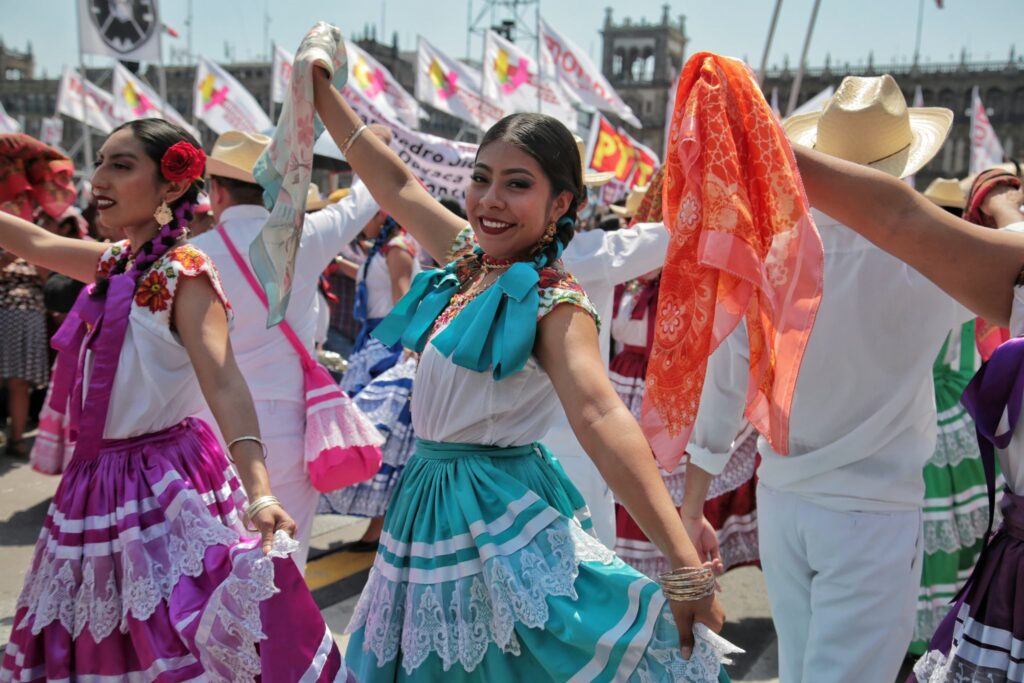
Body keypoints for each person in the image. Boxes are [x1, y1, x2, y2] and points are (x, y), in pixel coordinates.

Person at [312, 54, 730, 682]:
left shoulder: (553, 301)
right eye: (481, 179)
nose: (490, 199)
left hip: (492, 511)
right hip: (427, 502)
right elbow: (395, 185)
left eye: (517, 183)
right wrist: (319, 90)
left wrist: (683, 564)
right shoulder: (468, 257)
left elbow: (599, 414)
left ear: (562, 202)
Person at [0, 118, 350, 681]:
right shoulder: (115, 262)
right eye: (101, 163)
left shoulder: (185, 272)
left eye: (121, 165)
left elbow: (225, 382)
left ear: (170, 188)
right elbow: (36, 241)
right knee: (94, 634)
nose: (100, 179)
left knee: (173, 633)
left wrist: (260, 494)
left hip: (159, 481)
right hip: (94, 482)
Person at [682, 75, 970, 683]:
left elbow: (724, 382)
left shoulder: (772, 254)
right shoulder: (930, 262)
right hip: (872, 511)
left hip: (785, 500)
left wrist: (692, 502)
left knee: (802, 669)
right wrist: (999, 203)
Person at [790, 143, 1024, 683]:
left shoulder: (797, 256)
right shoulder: (920, 271)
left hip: (814, 484)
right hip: (892, 475)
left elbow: (898, 220)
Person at [191, 129, 381, 571]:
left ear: (216, 192)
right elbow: (367, 195)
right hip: (289, 426)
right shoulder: (305, 236)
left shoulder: (192, 255)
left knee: (210, 568)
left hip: (207, 428)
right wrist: (367, 138)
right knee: (283, 571)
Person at [337, 212, 420, 396]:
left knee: (373, 401)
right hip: (375, 335)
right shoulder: (383, 250)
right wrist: (337, 262)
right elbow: (370, 277)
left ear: (381, 217)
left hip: (391, 336)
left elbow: (402, 298)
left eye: (364, 216)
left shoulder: (397, 248)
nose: (360, 224)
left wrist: (407, 344)